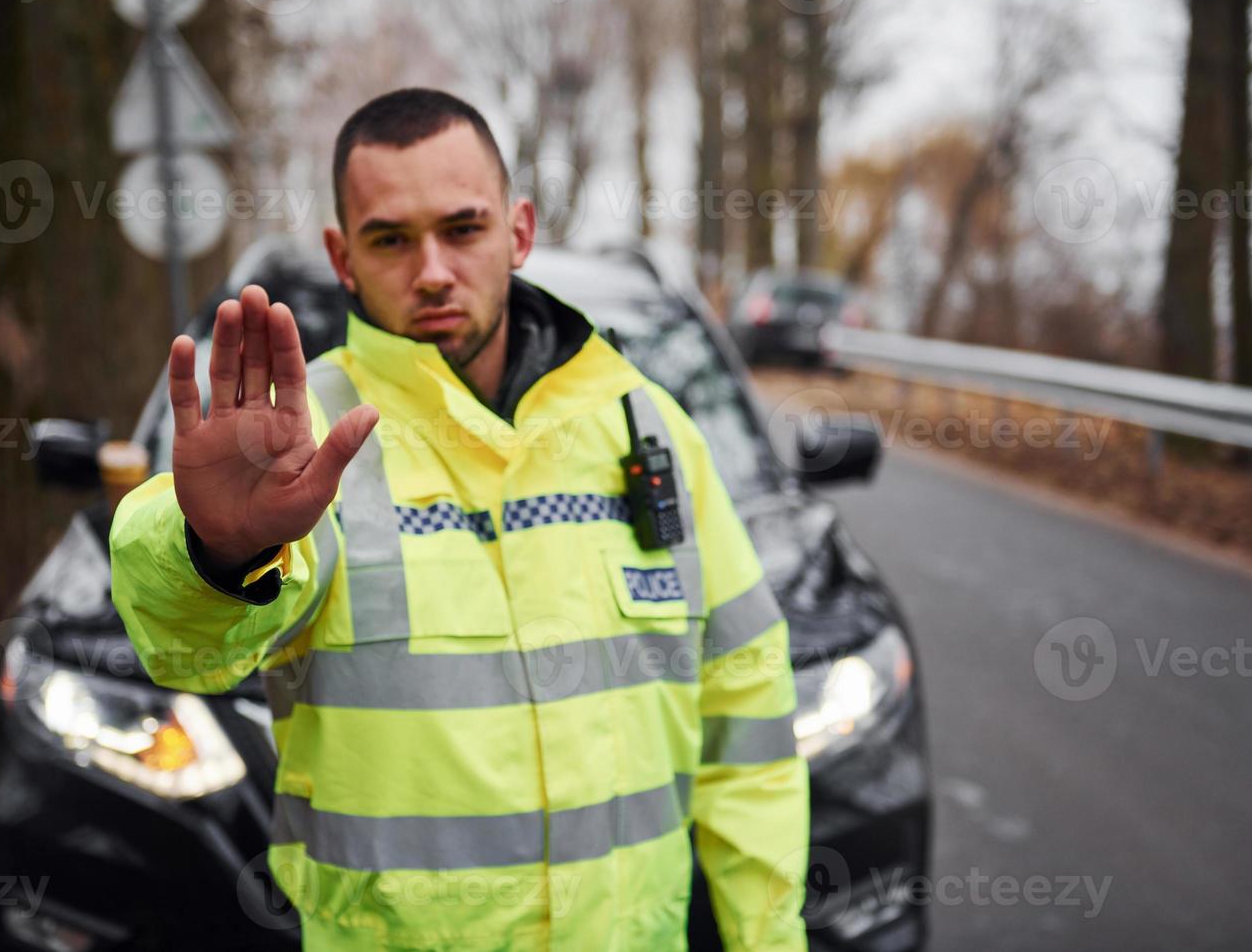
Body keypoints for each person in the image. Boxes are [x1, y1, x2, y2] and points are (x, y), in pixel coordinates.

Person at [110, 87, 809, 951]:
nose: (432, 269)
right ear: (342, 256)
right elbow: (187, 651)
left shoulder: (648, 425)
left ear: (518, 232)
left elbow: (748, 709)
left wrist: (769, 939)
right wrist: (216, 549)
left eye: (463, 228)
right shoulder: (305, 442)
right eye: (391, 239)